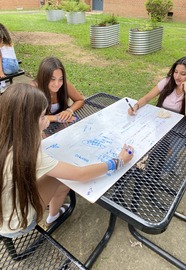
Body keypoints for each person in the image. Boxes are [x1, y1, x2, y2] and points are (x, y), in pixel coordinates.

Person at [0, 83, 134, 238]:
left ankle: (53, 210)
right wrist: (119, 160)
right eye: (43, 116)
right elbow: (80, 174)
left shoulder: (8, 135)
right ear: (28, 123)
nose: (46, 119)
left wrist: (43, 125)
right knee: (59, 177)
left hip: (6, 212)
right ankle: (54, 215)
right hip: (17, 225)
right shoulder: (28, 154)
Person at [128, 56, 186, 122]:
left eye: (183, 74)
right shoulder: (167, 82)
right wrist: (136, 106)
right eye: (176, 72)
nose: (177, 77)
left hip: (178, 128)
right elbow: (147, 98)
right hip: (160, 122)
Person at [30, 56, 85, 123]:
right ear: (43, 77)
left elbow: (80, 100)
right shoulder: (33, 90)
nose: (57, 84)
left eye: (61, 79)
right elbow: (31, 118)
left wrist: (69, 110)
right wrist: (57, 118)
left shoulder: (65, 84)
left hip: (58, 125)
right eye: (52, 79)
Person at [0, 23, 19, 90]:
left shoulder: (0, 43)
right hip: (16, 66)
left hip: (8, 67)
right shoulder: (9, 42)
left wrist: (1, 72)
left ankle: (2, 85)